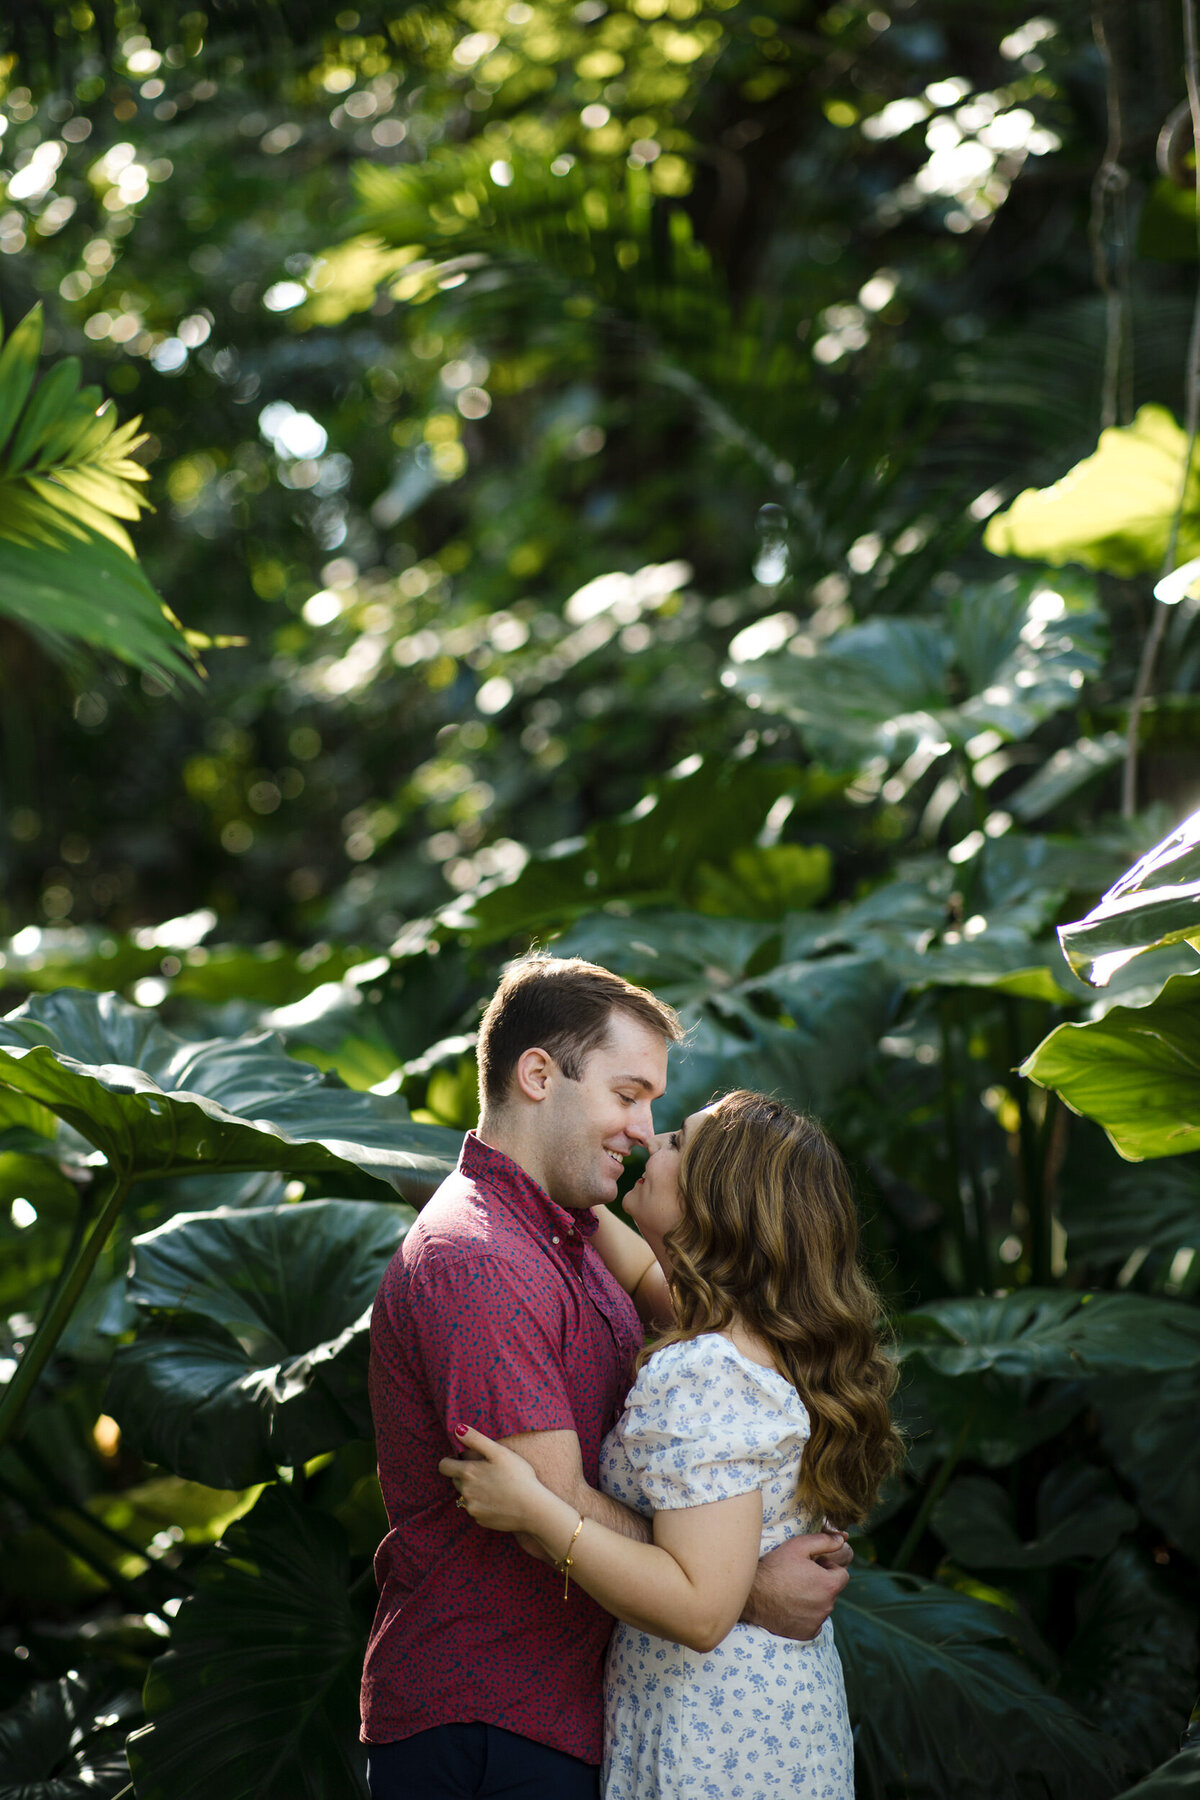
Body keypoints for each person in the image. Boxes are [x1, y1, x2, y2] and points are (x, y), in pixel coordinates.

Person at [361, 955, 854, 1800]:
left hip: (582, 1712)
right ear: (538, 1075)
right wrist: (744, 1592)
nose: (642, 1129)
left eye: (660, 1113)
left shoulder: (574, 1236)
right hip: (489, 1716)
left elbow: (674, 1283)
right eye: (629, 1097)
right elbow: (545, 1507)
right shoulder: (483, 1259)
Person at [441, 1088, 903, 1800]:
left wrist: (537, 1512)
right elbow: (638, 1270)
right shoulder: (758, 1330)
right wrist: (539, 1169)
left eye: (680, 1144)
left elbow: (700, 1610)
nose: (652, 1142)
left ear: (721, 1206)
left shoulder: (705, 1370)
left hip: (716, 1739)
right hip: (776, 1721)